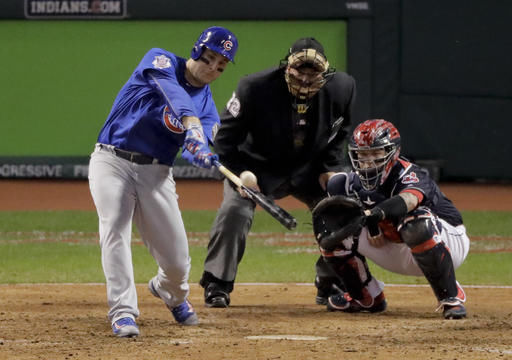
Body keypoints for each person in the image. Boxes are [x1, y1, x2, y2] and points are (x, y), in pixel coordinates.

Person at [88, 26, 238, 337]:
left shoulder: (208, 110)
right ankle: (123, 312)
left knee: (178, 262)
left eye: (221, 66)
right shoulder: (160, 60)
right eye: (209, 58)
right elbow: (174, 94)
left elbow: (200, 143)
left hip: (156, 174)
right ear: (196, 50)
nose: (212, 68)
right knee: (114, 227)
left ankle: (171, 293)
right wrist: (190, 125)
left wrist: (200, 151)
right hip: (111, 160)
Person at [199, 37, 356, 308]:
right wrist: (241, 175)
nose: (306, 79)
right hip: (257, 167)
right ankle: (217, 283)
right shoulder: (254, 87)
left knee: (342, 207)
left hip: (310, 168)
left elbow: (341, 132)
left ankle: (331, 281)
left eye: (313, 73)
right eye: (300, 71)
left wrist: (330, 169)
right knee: (235, 211)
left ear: (324, 72)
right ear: (287, 68)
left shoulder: (343, 88)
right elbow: (224, 141)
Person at [317, 119, 470, 319]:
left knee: (416, 222)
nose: (368, 161)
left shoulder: (409, 173)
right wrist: (331, 238)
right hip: (395, 245)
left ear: (393, 152)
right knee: (329, 226)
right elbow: (330, 194)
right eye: (363, 154)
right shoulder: (346, 183)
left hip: (447, 241)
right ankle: (366, 297)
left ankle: (450, 298)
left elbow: (408, 200)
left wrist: (373, 217)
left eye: (376, 153)